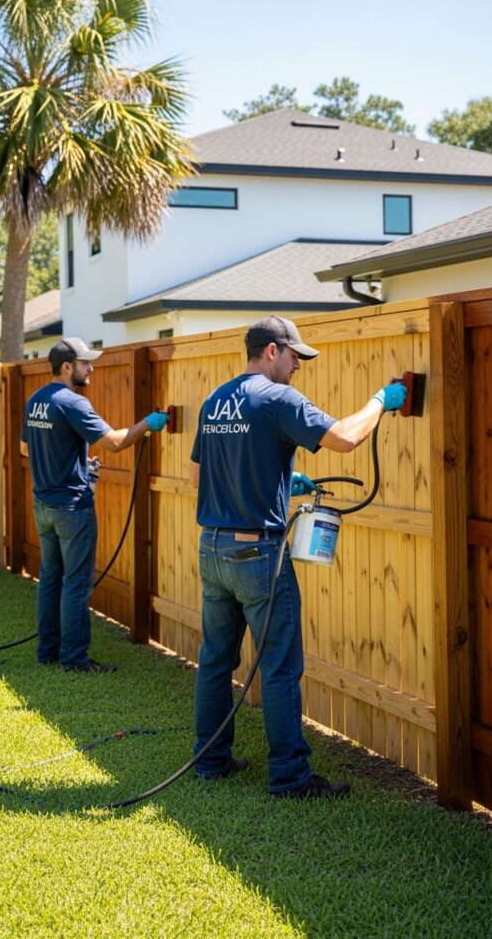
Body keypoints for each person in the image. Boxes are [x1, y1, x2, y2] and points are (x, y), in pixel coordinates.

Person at [189, 316, 407, 798]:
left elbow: (200, 477)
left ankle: (210, 760)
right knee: (280, 665)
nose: (298, 367)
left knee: (215, 659)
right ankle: (290, 777)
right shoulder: (278, 399)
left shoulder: (215, 400)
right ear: (271, 351)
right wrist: (381, 400)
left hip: (213, 548)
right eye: (294, 357)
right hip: (257, 554)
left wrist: (281, 482)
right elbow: (345, 438)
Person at [20, 337, 169, 673]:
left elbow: (26, 449)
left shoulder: (36, 401)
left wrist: (77, 465)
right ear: (67, 367)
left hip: (43, 505)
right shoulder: (73, 403)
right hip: (72, 508)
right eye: (85, 363)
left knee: (51, 578)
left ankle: (48, 652)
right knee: (76, 582)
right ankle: (74, 658)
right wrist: (149, 423)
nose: (92, 368)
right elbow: (114, 442)